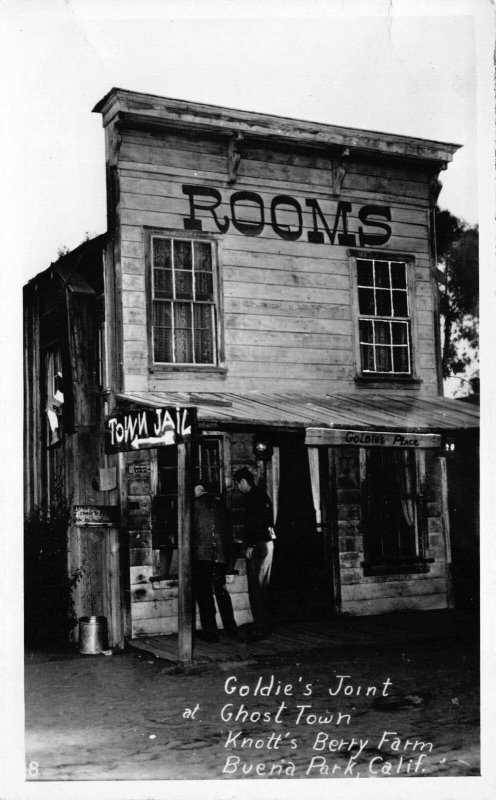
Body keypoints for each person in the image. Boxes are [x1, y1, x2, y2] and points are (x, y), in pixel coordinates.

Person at [233, 467, 275, 641]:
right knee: (263, 585)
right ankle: (262, 624)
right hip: (268, 543)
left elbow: (254, 523)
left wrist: (249, 544)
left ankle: (260, 627)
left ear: (243, 481)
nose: (237, 488)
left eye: (237, 484)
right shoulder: (263, 495)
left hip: (258, 545)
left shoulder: (252, 498)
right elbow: (267, 522)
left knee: (256, 587)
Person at [193, 483, 238, 642]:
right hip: (221, 556)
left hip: (202, 556)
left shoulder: (194, 505)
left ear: (195, 491)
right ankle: (231, 629)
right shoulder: (221, 505)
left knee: (204, 595)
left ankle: (210, 632)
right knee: (221, 592)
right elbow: (229, 532)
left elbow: (191, 532)